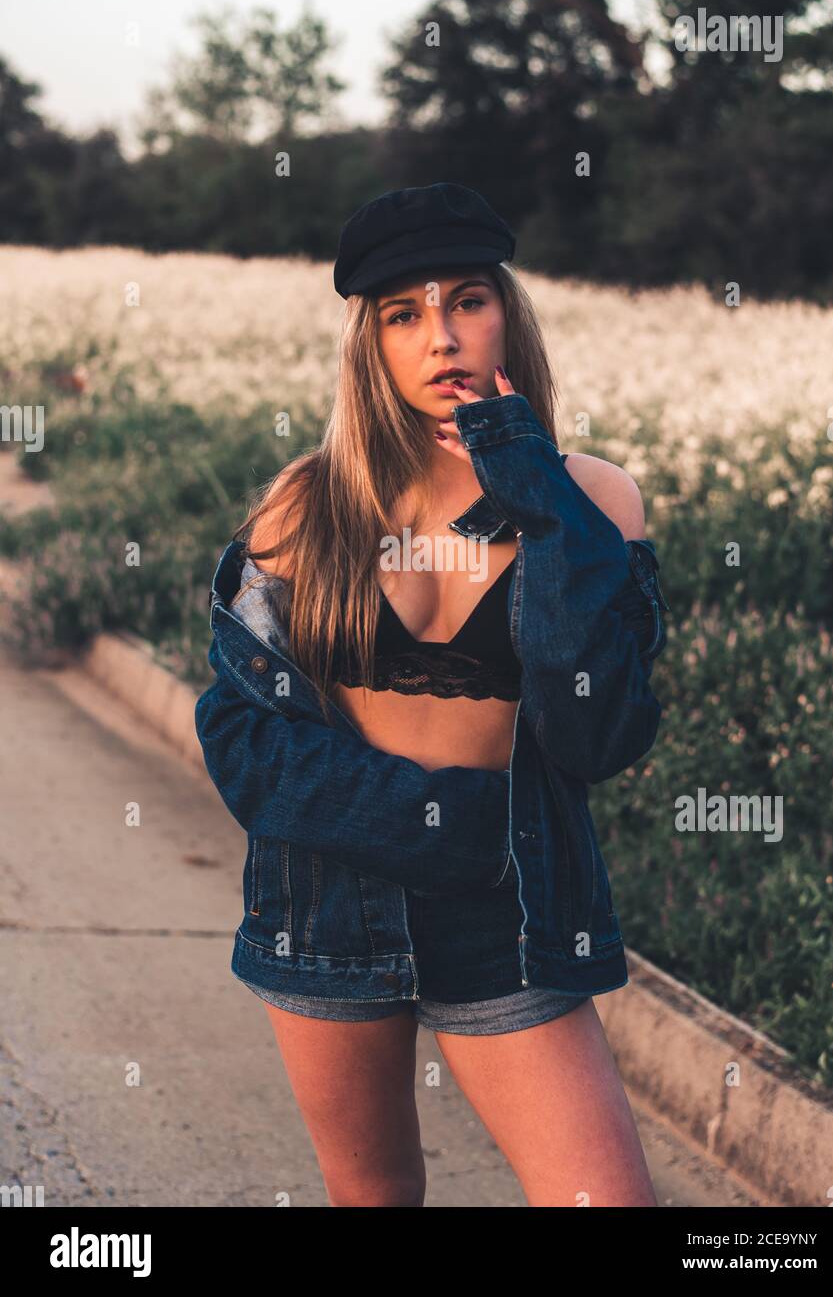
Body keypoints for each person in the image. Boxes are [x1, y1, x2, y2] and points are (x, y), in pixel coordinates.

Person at [195, 182, 670, 1206]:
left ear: (508, 311)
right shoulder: (305, 501)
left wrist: (538, 502)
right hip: (322, 902)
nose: (440, 336)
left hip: (510, 907)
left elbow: (596, 731)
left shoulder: (593, 497)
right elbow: (238, 734)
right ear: (370, 343)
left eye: (466, 300)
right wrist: (439, 819)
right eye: (403, 314)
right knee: (375, 1195)